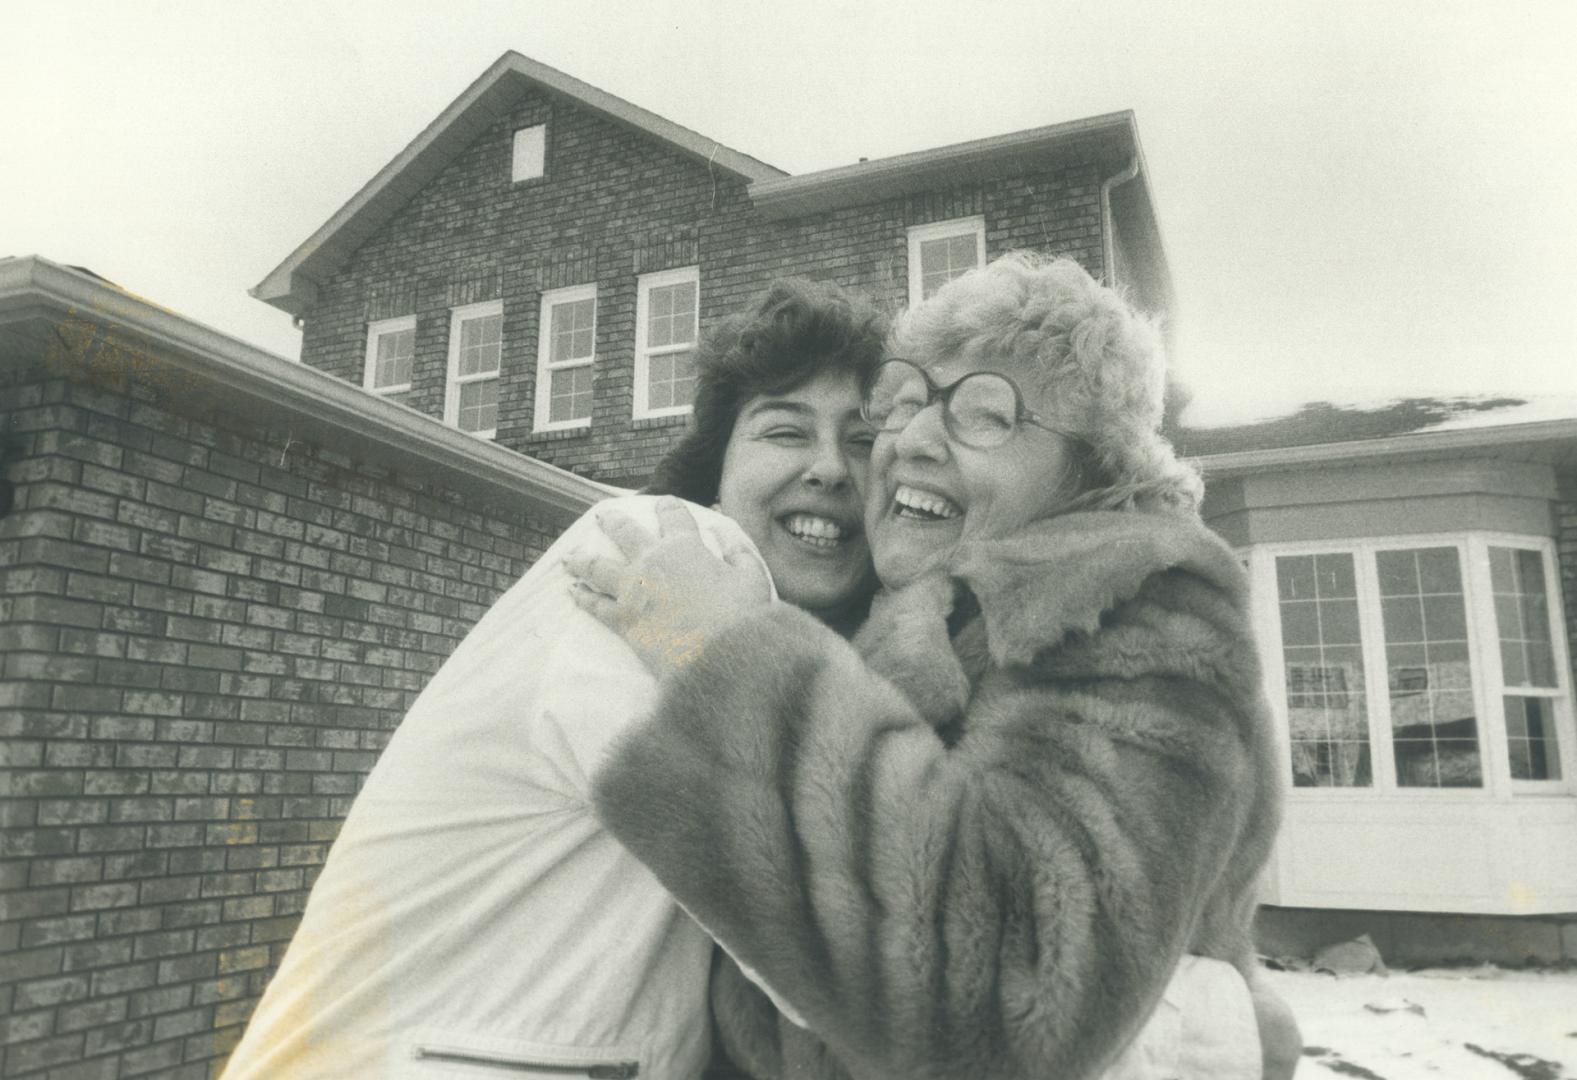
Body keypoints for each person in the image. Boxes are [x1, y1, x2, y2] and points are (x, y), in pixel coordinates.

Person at [573, 253, 1299, 1079]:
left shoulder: (1145, 610)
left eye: (984, 413)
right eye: (907, 400)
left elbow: (1016, 998)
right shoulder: (920, 618)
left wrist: (724, 654)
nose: (909, 440)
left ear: (1091, 470)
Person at [218, 278, 887, 1079]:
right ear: (715, 467)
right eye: (785, 430)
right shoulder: (667, 554)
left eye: (864, 440)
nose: (830, 469)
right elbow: (848, 964)